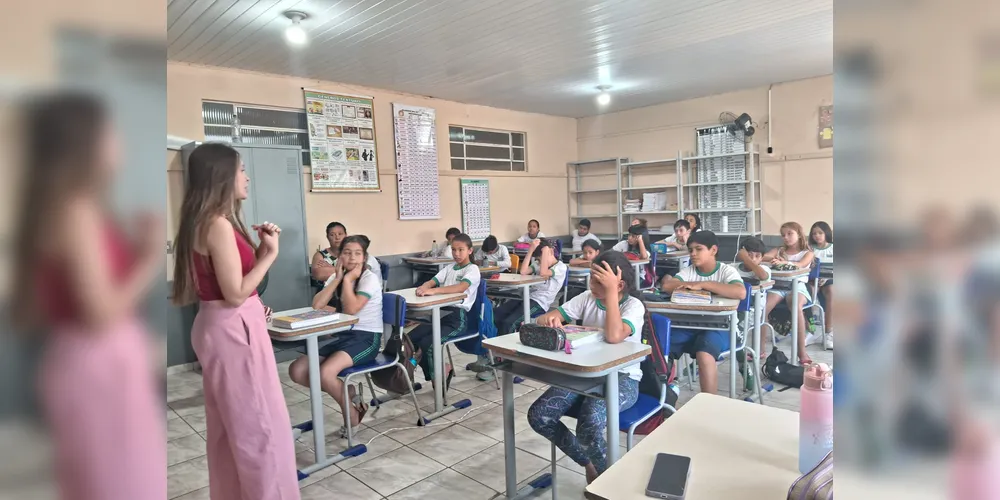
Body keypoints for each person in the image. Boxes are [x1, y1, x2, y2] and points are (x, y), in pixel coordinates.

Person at [12, 93, 166, 500]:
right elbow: (99, 312)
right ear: (85, 142)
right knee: (118, 481)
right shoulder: (76, 210)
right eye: (111, 131)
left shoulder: (64, 208)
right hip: (98, 367)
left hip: (90, 361)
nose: (120, 141)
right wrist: (149, 258)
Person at [172, 142, 299, 499]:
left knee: (233, 428)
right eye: (241, 169)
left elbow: (234, 282)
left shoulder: (207, 221)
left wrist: (259, 250)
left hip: (225, 324)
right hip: (233, 327)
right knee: (260, 428)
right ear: (222, 177)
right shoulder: (217, 225)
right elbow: (235, 292)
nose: (246, 176)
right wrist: (271, 255)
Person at [528, 251, 645, 484]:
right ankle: (589, 464)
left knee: (589, 423)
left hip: (622, 378)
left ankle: (608, 482)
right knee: (539, 416)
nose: (591, 283)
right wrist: (551, 320)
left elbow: (613, 336)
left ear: (619, 284)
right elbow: (545, 318)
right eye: (591, 277)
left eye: (598, 280)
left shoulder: (633, 306)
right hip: (586, 373)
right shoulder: (586, 298)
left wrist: (611, 294)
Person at [289, 235, 382, 431]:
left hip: (367, 338)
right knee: (297, 371)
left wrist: (348, 280)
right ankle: (345, 390)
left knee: (326, 373)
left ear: (364, 258)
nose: (352, 258)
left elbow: (351, 309)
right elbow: (317, 305)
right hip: (342, 336)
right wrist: (339, 278)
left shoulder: (369, 278)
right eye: (347, 253)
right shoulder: (337, 276)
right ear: (339, 256)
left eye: (358, 254)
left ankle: (352, 416)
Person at [660, 230, 747, 394]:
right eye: (690, 250)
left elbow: (740, 292)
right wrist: (692, 283)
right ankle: (665, 395)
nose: (693, 254)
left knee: (704, 353)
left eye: (698, 249)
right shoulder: (689, 271)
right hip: (690, 325)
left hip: (721, 327)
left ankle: (709, 403)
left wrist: (704, 285)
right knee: (662, 345)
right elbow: (667, 286)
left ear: (713, 250)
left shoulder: (726, 271)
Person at [410, 233, 481, 388]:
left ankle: (439, 381)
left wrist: (434, 291)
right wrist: (425, 287)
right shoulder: (449, 268)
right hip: (439, 314)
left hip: (458, 319)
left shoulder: (473, 269)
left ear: (470, 250)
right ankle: (438, 370)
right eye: (454, 250)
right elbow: (433, 280)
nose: (456, 253)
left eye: (461, 250)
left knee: (428, 344)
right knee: (411, 338)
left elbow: (461, 287)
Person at [763, 221, 816, 364]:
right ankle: (760, 349)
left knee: (795, 305)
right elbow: (763, 257)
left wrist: (785, 263)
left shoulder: (808, 252)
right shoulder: (779, 250)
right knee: (763, 308)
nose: (786, 237)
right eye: (783, 235)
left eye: (790, 234)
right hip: (779, 286)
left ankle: (802, 353)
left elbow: (801, 265)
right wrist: (774, 259)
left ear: (799, 234)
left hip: (797, 286)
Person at [494, 238, 568, 334]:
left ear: (551, 252)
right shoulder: (538, 263)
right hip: (525, 297)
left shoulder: (560, 267)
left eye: (541, 259)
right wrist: (530, 251)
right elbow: (523, 272)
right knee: (496, 314)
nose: (540, 262)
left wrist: (546, 251)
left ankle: (508, 348)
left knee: (509, 323)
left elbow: (543, 272)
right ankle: (495, 344)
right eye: (538, 259)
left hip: (539, 303)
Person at [736, 236, 772, 356]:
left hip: (752, 312)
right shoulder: (733, 268)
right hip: (733, 309)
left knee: (734, 329)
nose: (753, 259)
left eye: (757, 256)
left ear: (762, 257)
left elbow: (763, 277)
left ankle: (737, 351)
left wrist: (746, 259)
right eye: (750, 255)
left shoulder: (763, 269)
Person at [312, 221, 382, 281]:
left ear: (346, 235)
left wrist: (332, 268)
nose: (337, 237)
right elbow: (319, 274)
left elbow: (360, 273)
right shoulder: (321, 255)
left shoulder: (361, 255)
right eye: (332, 235)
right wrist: (348, 270)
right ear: (327, 237)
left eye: (340, 234)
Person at [809, 221, 834, 349]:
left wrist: (827, 277)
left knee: (832, 292)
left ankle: (829, 332)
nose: (817, 236)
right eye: (814, 234)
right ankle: (811, 330)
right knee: (808, 295)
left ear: (826, 233)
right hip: (813, 280)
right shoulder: (810, 249)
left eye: (820, 233)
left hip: (830, 279)